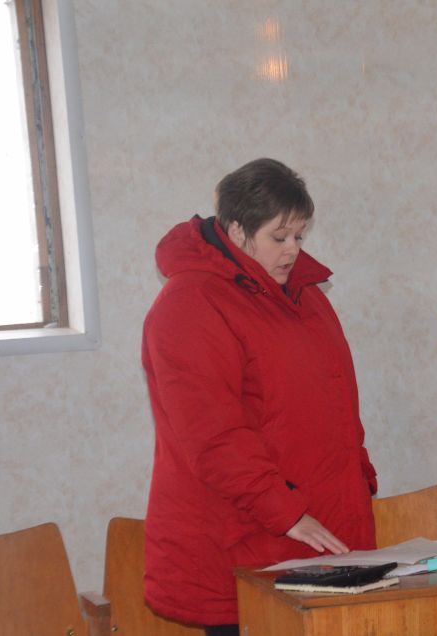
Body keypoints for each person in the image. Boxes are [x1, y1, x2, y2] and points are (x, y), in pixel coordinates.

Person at [141, 158, 378, 634]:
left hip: (312, 535)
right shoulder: (190, 305)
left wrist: (359, 478)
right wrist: (286, 512)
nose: (293, 250)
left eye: (300, 237)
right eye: (279, 237)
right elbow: (213, 436)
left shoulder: (306, 296)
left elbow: (333, 405)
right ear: (236, 230)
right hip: (242, 539)